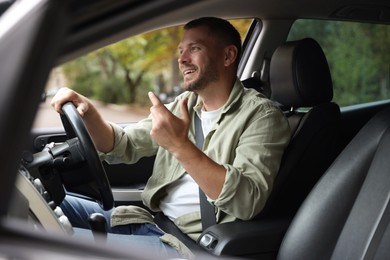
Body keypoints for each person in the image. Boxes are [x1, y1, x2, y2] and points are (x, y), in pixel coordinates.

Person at [51, 17, 291, 258]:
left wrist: (179, 145)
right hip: (153, 223)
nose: (182, 59)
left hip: (189, 246)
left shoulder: (262, 116)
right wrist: (90, 112)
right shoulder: (184, 104)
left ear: (228, 56)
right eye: (180, 51)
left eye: (195, 48)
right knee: (46, 205)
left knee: (52, 240)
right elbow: (123, 144)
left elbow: (247, 199)